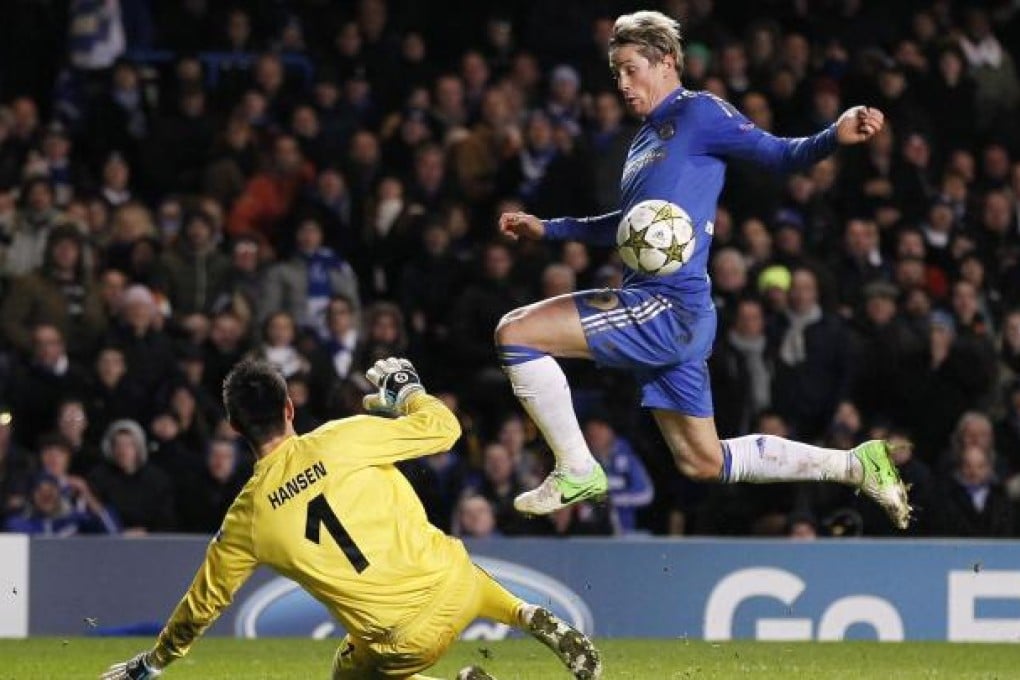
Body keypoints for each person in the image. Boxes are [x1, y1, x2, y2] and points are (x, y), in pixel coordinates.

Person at [495, 10, 910, 529]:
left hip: (665, 305)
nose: (622, 84)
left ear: (666, 61)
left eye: (631, 70)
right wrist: (549, 230)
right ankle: (854, 465)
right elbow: (629, 228)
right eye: (616, 73)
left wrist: (832, 134)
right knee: (703, 462)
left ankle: (576, 467)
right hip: (675, 310)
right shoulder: (643, 141)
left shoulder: (699, 112)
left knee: (516, 332)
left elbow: (779, 155)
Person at [101, 357, 601, 680]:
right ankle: (526, 613)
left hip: (403, 640)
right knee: (451, 566)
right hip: (459, 583)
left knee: (349, 676)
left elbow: (201, 606)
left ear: (234, 426)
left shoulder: (247, 517)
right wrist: (408, 392)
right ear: (290, 408)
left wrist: (151, 664)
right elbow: (444, 430)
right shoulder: (345, 437)